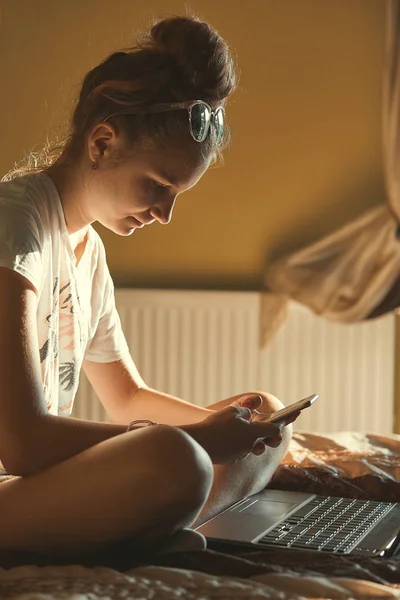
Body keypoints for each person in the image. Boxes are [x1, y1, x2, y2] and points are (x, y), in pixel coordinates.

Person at [0, 15, 298, 557]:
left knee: (263, 415)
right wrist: (205, 441)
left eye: (177, 193)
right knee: (177, 458)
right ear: (102, 143)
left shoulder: (89, 252)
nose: (164, 213)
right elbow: (23, 444)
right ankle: (160, 523)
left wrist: (231, 428)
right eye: (158, 185)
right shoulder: (15, 227)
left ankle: (168, 527)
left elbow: (127, 397)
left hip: (24, 494)